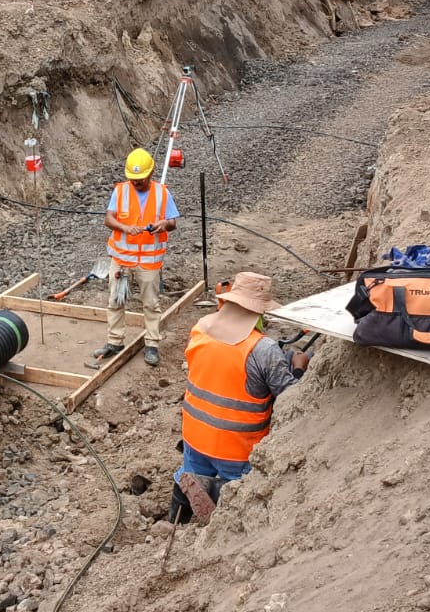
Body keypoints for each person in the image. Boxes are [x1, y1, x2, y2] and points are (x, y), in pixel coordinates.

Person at [170, 272, 310, 524]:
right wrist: (298, 367)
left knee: (189, 476)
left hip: (195, 433)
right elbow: (291, 397)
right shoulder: (263, 349)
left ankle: (175, 520)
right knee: (236, 494)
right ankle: (216, 491)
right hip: (236, 447)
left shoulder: (201, 328)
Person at [92, 148, 179, 368]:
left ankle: (151, 343)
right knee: (115, 301)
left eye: (140, 180)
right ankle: (114, 341)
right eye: (133, 179)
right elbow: (109, 219)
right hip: (122, 260)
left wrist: (163, 225)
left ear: (150, 174)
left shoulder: (162, 193)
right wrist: (125, 227)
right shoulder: (121, 191)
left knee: (150, 303)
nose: (136, 183)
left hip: (149, 262)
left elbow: (173, 222)